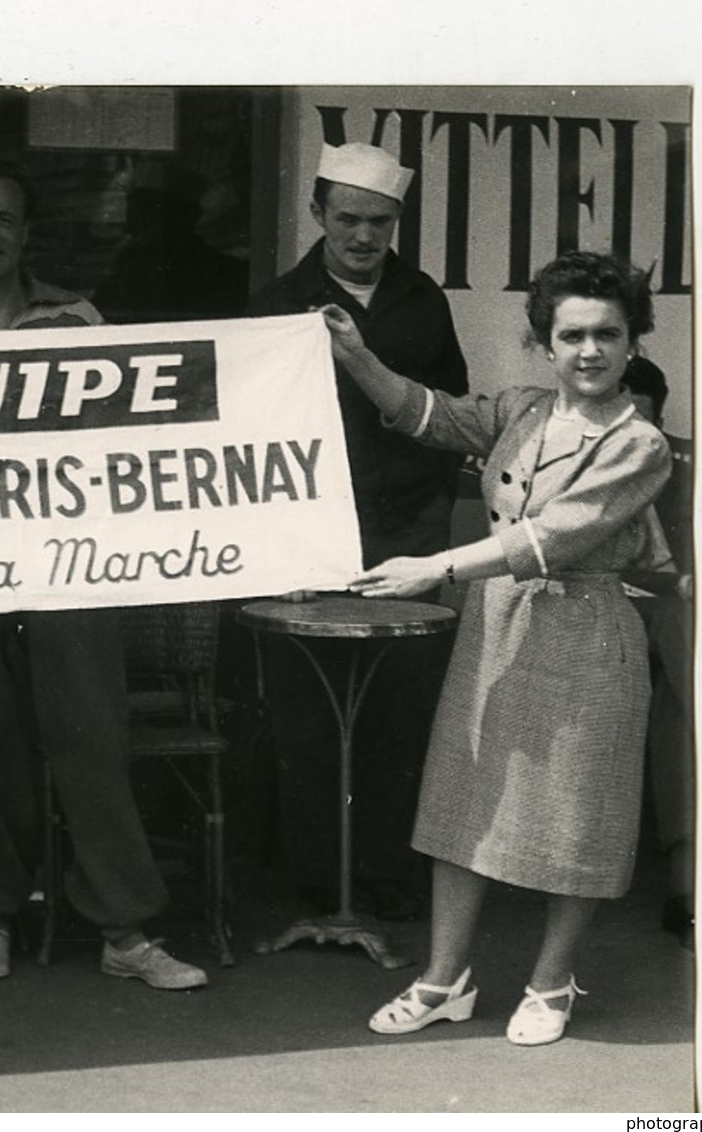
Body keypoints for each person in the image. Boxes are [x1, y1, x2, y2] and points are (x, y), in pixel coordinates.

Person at [328, 250, 672, 1047]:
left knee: (575, 818)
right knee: (462, 806)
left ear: (630, 344)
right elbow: (428, 415)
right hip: (496, 630)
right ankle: (442, 981)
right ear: (543, 344)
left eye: (607, 335)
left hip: (587, 637)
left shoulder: (638, 446)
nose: (589, 351)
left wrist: (435, 566)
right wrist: (354, 353)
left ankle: (552, 982)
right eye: (571, 335)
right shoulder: (519, 409)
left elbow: (550, 536)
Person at [0, 161, 207, 990]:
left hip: (67, 565)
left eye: (2, 218)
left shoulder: (76, 317)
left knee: (92, 734)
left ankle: (123, 928)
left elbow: (120, 441)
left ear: (25, 232)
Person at [245, 142, 468, 920]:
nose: (363, 236)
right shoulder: (277, 304)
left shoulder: (422, 299)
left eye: (378, 221)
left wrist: (433, 518)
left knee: (400, 705)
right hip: (308, 534)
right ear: (316, 214)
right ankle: (314, 878)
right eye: (347, 219)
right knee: (308, 705)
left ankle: (383, 874)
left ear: (397, 220)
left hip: (405, 527)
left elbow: (452, 409)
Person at [620, 354, 695, 945]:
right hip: (592, 605)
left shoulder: (692, 464)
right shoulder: (568, 455)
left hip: (667, 606)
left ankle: (688, 879)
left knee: (685, 705)